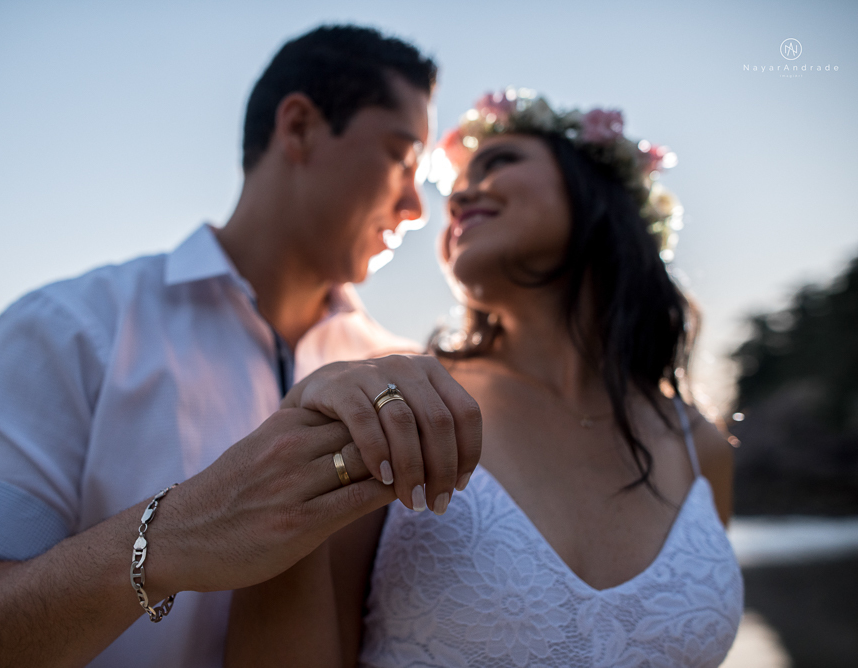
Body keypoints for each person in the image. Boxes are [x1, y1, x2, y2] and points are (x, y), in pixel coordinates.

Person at [0, 26, 483, 667]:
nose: (415, 206)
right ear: (297, 127)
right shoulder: (72, 327)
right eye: (400, 159)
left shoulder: (405, 375)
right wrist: (173, 534)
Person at [224, 89, 744, 667]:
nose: (462, 195)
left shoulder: (699, 448)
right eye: (454, 190)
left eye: (500, 163)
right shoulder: (402, 411)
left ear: (600, 189)